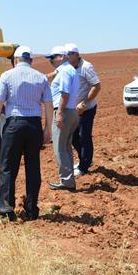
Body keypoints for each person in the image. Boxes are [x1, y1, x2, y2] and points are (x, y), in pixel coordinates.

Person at [0, 45, 53, 220]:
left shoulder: (7, 76)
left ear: (15, 60)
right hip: (34, 126)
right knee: (33, 168)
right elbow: (48, 104)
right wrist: (47, 128)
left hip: (14, 125)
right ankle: (32, 210)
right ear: (31, 61)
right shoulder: (40, 77)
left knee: (8, 166)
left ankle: (4, 207)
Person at [45, 45, 80, 191]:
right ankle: (68, 178)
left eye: (53, 58)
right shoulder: (68, 69)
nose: (51, 61)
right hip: (71, 111)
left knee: (60, 148)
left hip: (63, 112)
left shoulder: (65, 71)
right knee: (66, 147)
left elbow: (64, 94)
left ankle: (66, 181)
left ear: (62, 57)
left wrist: (59, 113)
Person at [64, 43, 101, 177]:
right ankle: (84, 160)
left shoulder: (86, 67)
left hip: (86, 108)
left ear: (76, 55)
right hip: (73, 108)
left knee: (84, 136)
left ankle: (84, 167)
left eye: (68, 54)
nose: (65, 57)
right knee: (73, 136)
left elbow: (96, 86)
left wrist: (84, 103)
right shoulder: (68, 67)